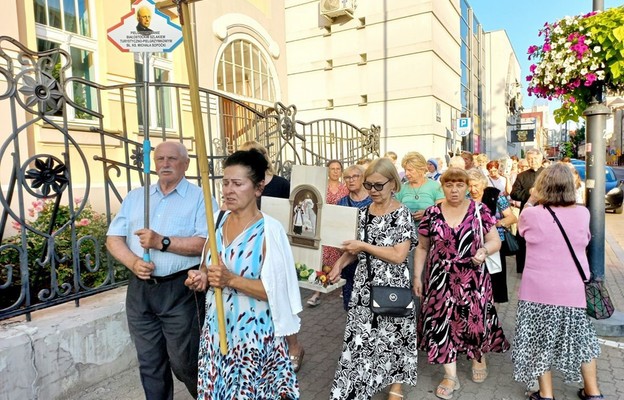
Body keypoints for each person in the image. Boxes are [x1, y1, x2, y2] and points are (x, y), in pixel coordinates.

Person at [185, 149, 301, 399]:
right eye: (225, 183)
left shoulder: (269, 231)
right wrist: (201, 278)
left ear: (258, 188)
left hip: (254, 341)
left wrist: (231, 280)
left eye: (238, 183)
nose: (228, 190)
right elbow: (207, 269)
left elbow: (276, 294)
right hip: (216, 336)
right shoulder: (217, 220)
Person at [106, 141, 217, 399]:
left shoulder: (200, 198)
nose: (165, 164)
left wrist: (162, 242)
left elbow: (206, 242)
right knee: (150, 363)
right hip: (140, 291)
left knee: (185, 363)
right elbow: (113, 237)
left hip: (180, 290)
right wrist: (133, 262)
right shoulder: (137, 197)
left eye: (172, 159)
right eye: (160, 159)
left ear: (185, 164)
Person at [414, 167, 509, 400]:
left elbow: (495, 240)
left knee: (474, 322)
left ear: (467, 186)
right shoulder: (432, 213)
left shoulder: (480, 210)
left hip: (473, 278)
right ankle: (450, 375)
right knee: (440, 324)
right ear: (442, 186)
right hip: (439, 279)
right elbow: (423, 247)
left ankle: (478, 356)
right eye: (449, 185)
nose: (454, 189)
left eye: (459, 185)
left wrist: (484, 251)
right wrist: (417, 277)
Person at [327, 157, 418, 400]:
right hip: (364, 285)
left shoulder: (402, 214)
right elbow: (353, 250)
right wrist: (338, 264)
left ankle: (396, 386)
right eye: (369, 185)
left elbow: (399, 255)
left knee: (394, 335)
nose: (373, 191)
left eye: (379, 185)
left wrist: (364, 246)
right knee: (360, 337)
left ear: (393, 184)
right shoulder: (364, 212)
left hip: (392, 283)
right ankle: (355, 387)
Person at [512, 163, 603, 400]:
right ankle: (593, 392)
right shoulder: (583, 213)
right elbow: (584, 239)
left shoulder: (531, 214)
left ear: (541, 186)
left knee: (538, 340)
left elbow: (522, 230)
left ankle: (546, 394)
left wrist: (531, 199)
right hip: (572, 290)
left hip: (537, 290)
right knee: (581, 339)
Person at [239, 140, 305, 373]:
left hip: (275, 246)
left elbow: (295, 214)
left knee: (280, 298)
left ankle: (294, 347)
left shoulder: (280, 184)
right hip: (249, 248)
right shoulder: (242, 184)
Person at [467, 169, 517, 304]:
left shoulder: (496, 194)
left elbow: (512, 217)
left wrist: (496, 224)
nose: (472, 189)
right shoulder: (465, 198)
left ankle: (492, 314)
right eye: (469, 185)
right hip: (472, 246)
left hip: (494, 245)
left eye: (476, 185)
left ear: (483, 184)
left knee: (495, 283)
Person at [307, 160, 349, 307]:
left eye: (338, 169)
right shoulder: (321, 188)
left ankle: (343, 287)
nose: (335, 171)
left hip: (341, 227)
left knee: (342, 256)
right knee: (323, 258)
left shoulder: (346, 188)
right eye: (332, 169)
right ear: (327, 171)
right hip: (324, 227)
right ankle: (318, 291)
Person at [336, 164, 372, 310]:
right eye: (347, 178)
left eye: (354, 176)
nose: (350, 180)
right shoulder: (341, 202)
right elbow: (337, 229)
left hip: (370, 258)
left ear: (363, 178)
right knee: (350, 302)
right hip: (348, 258)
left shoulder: (373, 200)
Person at [510, 149, 544, 273]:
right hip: (526, 212)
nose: (532, 161)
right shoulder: (522, 176)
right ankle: (523, 268)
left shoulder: (547, 174)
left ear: (541, 159)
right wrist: (528, 193)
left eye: (535, 158)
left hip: (544, 213)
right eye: (529, 159)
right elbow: (514, 194)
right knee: (523, 239)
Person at [395, 151, 444, 228]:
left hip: (430, 234)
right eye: (405, 170)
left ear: (421, 169)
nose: (406, 173)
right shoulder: (402, 189)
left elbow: (443, 211)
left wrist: (427, 214)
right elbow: (395, 213)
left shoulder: (435, 187)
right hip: (406, 235)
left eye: (410, 170)